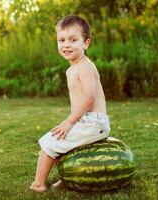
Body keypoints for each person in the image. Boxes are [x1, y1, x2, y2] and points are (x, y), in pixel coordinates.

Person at [29, 15, 111, 192]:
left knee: (49, 143)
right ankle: (67, 178)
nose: (66, 44)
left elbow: (90, 98)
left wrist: (69, 122)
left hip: (93, 122)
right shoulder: (72, 69)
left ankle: (38, 184)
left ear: (86, 43)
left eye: (73, 40)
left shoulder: (85, 67)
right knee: (64, 146)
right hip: (87, 121)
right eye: (61, 40)